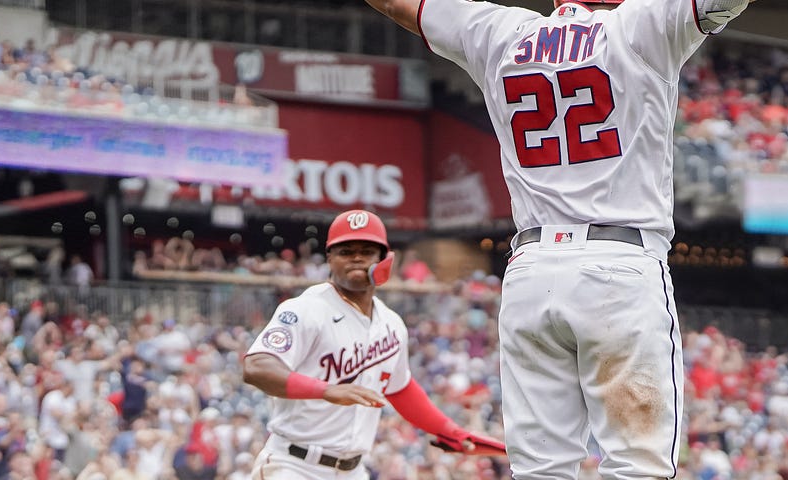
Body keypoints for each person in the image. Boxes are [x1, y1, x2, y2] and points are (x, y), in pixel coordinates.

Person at [364, 0, 754, 476]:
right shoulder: (638, 24)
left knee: (540, 469)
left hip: (531, 268)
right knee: (638, 464)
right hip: (618, 264)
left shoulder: (501, 32)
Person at [242, 209, 505, 479]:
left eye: (367, 250)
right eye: (346, 251)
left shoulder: (391, 323)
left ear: (384, 259)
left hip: (354, 470)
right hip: (294, 465)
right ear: (330, 258)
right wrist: (326, 390)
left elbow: (400, 389)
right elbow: (256, 367)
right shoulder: (305, 309)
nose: (356, 257)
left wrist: (448, 430)